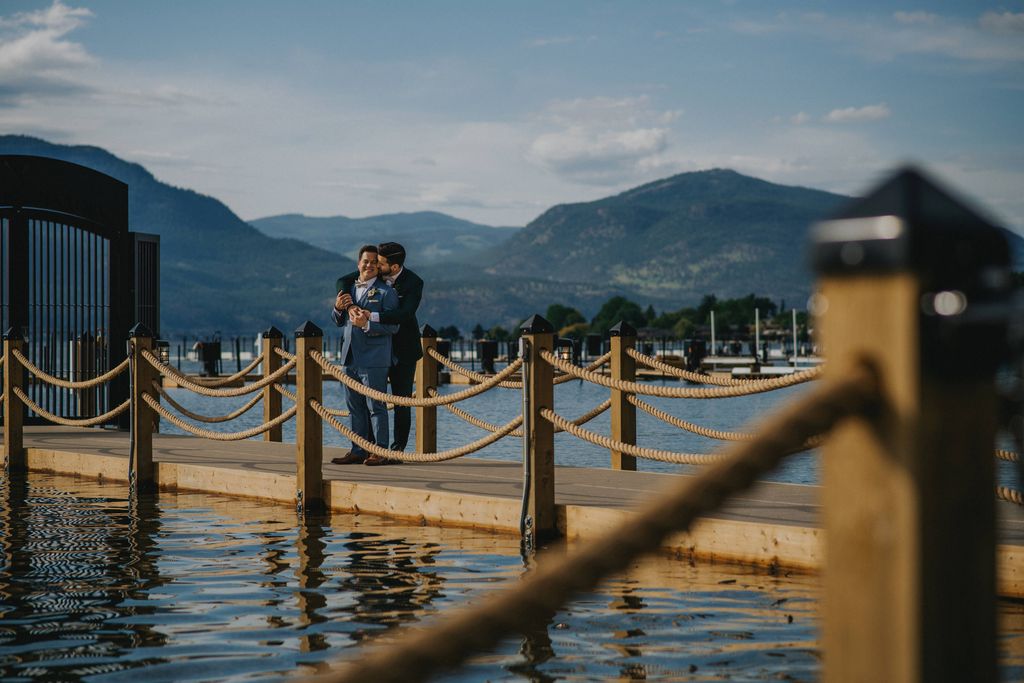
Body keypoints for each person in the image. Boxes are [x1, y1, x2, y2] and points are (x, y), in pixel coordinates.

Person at [336, 241, 424, 453]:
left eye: (380, 263)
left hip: (402, 349)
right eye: (371, 262)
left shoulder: (413, 282)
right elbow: (343, 280)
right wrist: (348, 304)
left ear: (393, 267)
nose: (374, 266)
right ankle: (366, 447)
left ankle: (396, 450)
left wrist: (370, 316)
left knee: (400, 401)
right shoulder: (373, 273)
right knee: (368, 401)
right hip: (373, 349)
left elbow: (405, 315)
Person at [330, 244, 399, 466]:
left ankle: (380, 451)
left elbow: (394, 327)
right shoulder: (348, 289)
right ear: (358, 263)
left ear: (378, 268)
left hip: (375, 359)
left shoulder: (387, 292)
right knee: (354, 407)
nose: (368, 265)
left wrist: (368, 324)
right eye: (365, 261)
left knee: (376, 407)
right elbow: (338, 321)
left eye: (373, 262)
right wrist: (338, 308)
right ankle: (357, 450)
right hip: (349, 357)